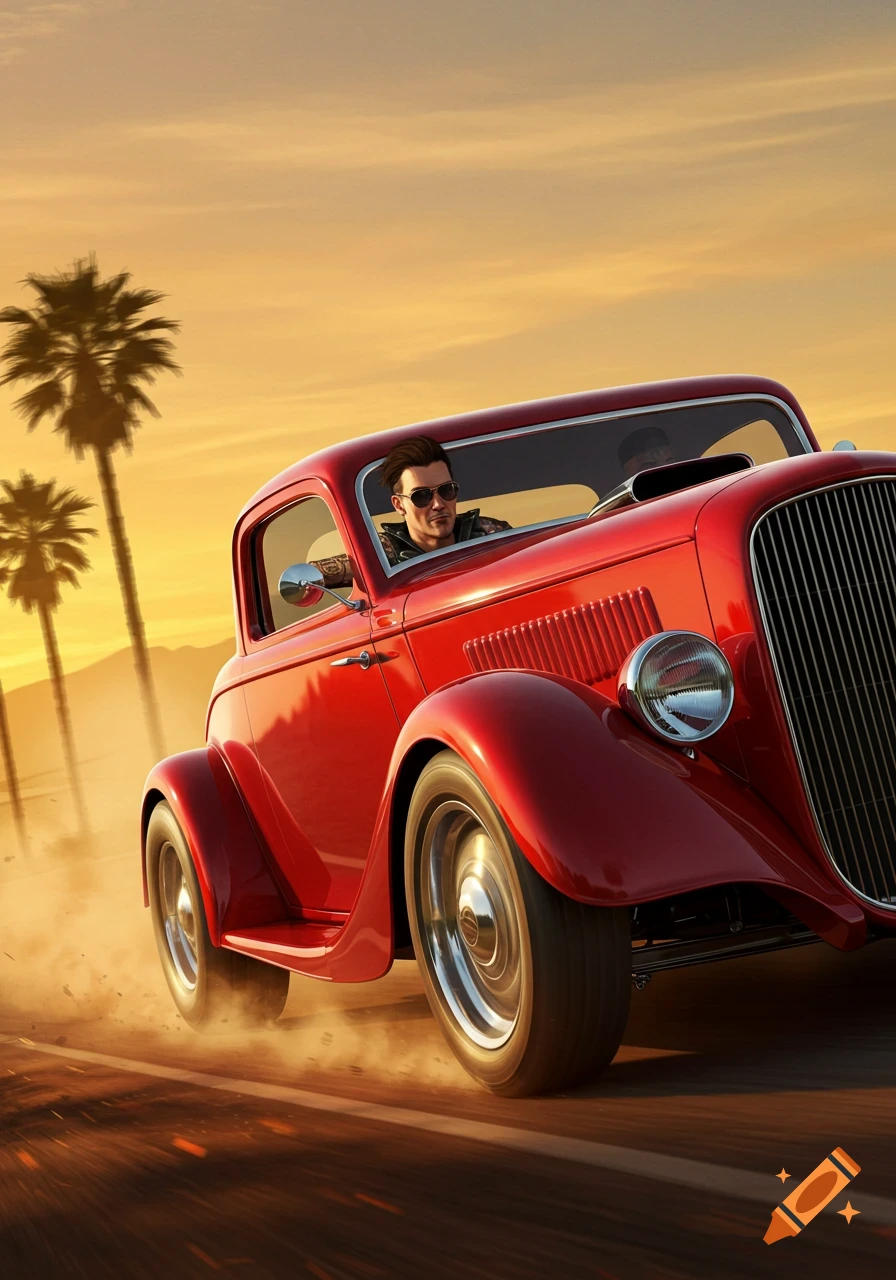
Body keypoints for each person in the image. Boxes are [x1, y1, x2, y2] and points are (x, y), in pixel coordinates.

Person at [309, 435, 511, 591]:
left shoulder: (490, 532)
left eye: (446, 490)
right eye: (421, 496)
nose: (438, 504)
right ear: (399, 505)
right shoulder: (380, 553)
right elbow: (313, 574)